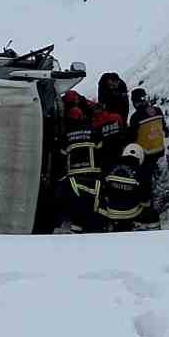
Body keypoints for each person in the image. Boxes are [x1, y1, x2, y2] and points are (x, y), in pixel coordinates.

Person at [59, 95, 105, 233]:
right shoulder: (92, 130)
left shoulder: (66, 134)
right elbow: (101, 147)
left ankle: (77, 227)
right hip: (92, 172)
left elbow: (62, 154)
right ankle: (93, 226)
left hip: (74, 175)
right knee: (94, 200)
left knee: (77, 202)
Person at [128, 87, 169, 212]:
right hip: (159, 149)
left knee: (143, 180)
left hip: (146, 154)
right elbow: (164, 129)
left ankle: (146, 206)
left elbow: (131, 137)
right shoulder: (157, 110)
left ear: (134, 102)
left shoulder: (135, 117)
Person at [96, 143, 152, 232]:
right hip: (131, 213)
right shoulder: (141, 172)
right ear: (140, 157)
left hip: (111, 211)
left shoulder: (110, 167)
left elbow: (101, 186)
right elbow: (145, 199)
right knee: (150, 211)